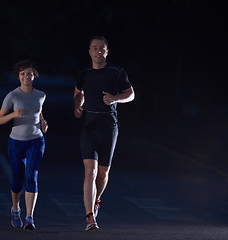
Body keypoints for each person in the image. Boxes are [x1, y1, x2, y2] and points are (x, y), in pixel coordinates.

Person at [73, 36, 135, 231]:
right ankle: (90, 217)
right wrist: (78, 105)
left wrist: (115, 98)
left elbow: (131, 94)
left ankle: (97, 199)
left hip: (109, 126)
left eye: (102, 49)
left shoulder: (116, 72)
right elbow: (78, 93)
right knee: (89, 171)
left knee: (103, 172)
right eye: (94, 48)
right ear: (89, 51)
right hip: (89, 126)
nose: (98, 51)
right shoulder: (83, 73)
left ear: (107, 52)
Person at [0, 60, 48, 230]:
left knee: (31, 176)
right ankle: (16, 209)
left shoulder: (41, 95)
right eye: (22, 74)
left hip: (36, 140)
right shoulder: (13, 95)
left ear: (34, 76)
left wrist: (43, 121)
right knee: (18, 178)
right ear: (18, 76)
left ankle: (29, 217)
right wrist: (13, 115)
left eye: (29, 73)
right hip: (16, 142)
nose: (26, 76)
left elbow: (38, 110)